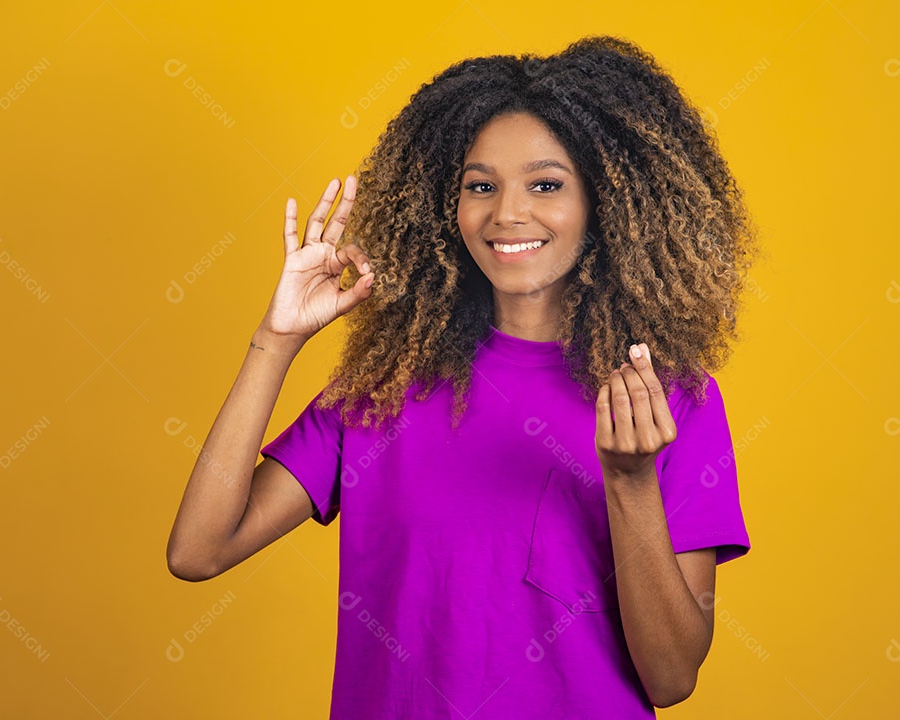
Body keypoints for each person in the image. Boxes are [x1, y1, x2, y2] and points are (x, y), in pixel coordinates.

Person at [167, 34, 759, 718]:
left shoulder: (667, 402)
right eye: (480, 186)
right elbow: (199, 550)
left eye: (546, 184)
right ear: (446, 207)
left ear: (607, 203)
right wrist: (276, 342)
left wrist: (629, 481)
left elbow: (671, 678)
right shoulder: (381, 390)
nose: (507, 213)